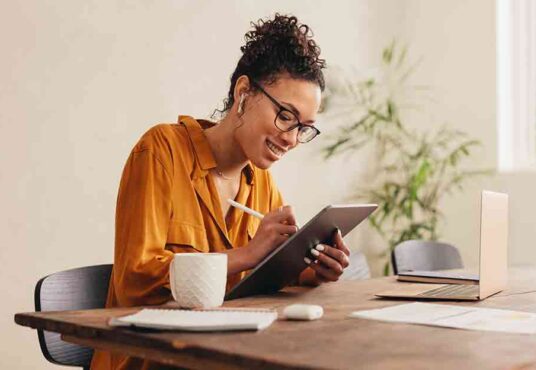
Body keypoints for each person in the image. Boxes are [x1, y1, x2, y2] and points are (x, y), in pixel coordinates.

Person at [90, 13, 350, 370]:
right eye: (285, 116)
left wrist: (309, 272)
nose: (291, 139)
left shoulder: (260, 183)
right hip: (148, 361)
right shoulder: (161, 151)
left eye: (303, 127)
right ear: (243, 92)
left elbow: (255, 283)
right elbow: (136, 280)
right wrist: (248, 253)